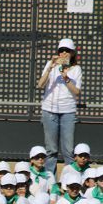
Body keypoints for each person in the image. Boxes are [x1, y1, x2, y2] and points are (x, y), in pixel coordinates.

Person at [38, 39, 83, 173]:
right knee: (51, 149)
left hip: (68, 111)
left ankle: (69, 179)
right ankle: (50, 178)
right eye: (61, 51)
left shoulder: (76, 69)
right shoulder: (50, 65)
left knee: (68, 150)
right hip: (49, 109)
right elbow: (40, 85)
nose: (64, 53)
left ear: (72, 53)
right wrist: (50, 67)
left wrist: (66, 78)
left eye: (67, 51)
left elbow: (77, 91)